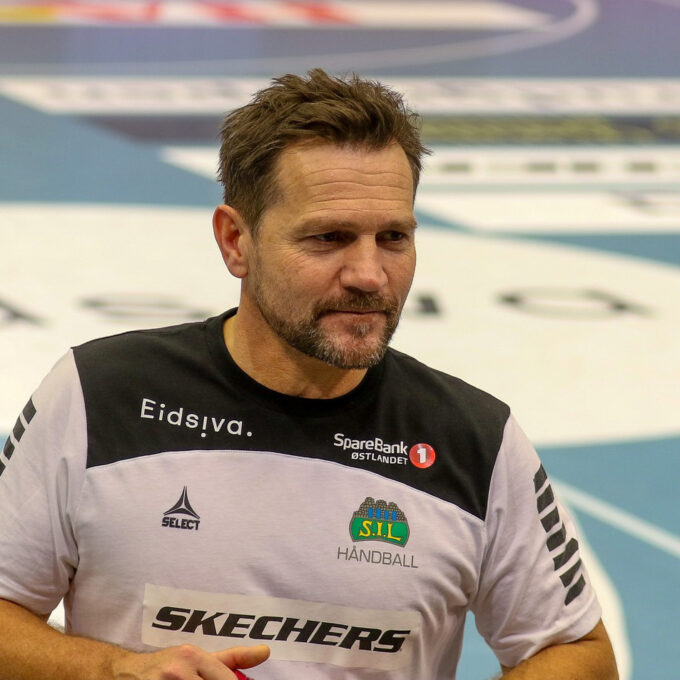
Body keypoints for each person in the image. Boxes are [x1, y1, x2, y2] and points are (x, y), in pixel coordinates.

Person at [0, 69, 617, 680]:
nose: (369, 275)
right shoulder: (99, 396)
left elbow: (576, 652)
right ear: (235, 241)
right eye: (329, 238)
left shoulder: (473, 438)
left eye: (393, 237)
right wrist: (112, 671)